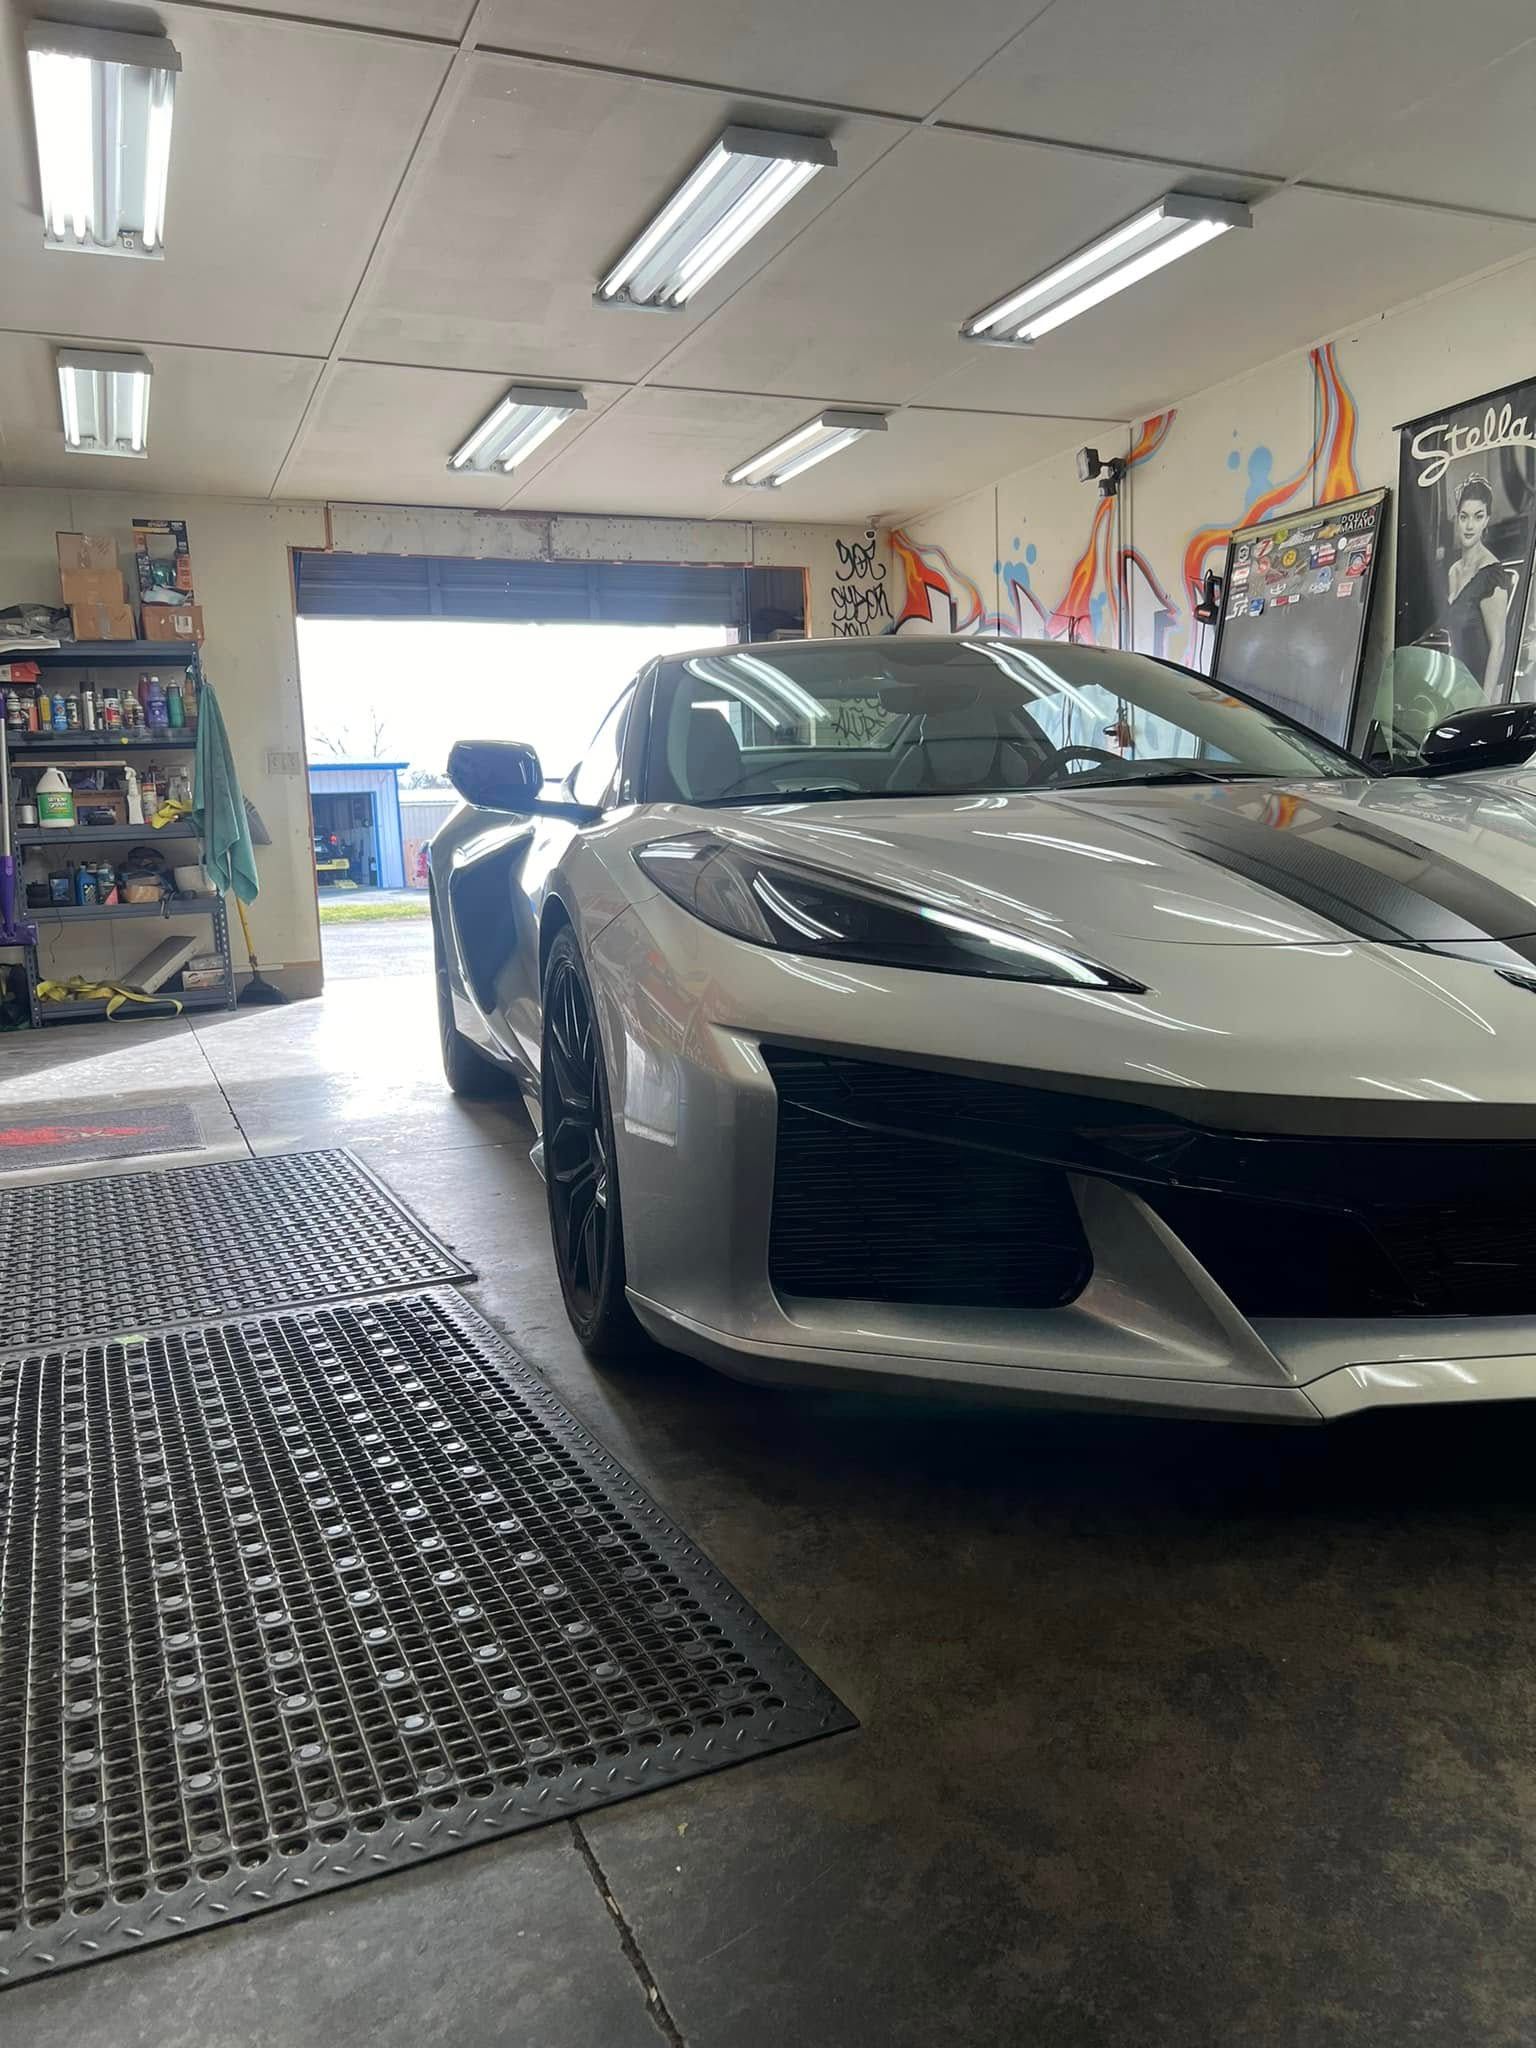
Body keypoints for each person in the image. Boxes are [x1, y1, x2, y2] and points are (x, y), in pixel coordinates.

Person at [1439, 473, 1509, 698]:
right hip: (1460, 688)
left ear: (1487, 520)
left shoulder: (1492, 575)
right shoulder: (1453, 571)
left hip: (1484, 691)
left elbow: (1498, 646)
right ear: (1457, 518)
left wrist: (1484, 703)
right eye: (1464, 517)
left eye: (1478, 517)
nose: (1469, 526)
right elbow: (1455, 639)